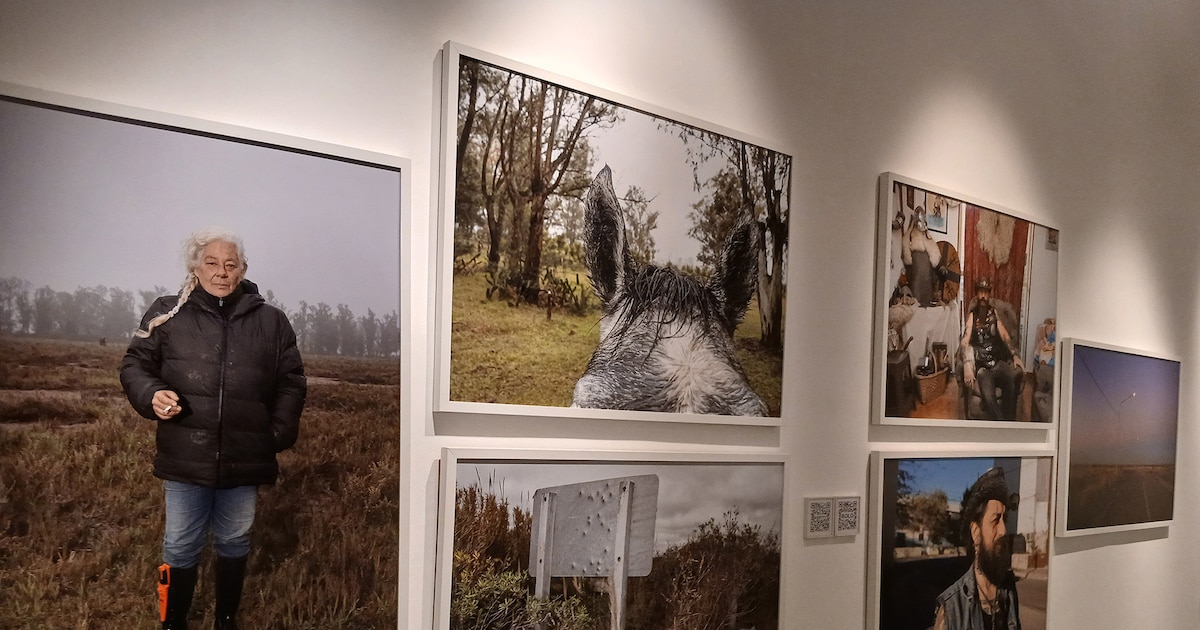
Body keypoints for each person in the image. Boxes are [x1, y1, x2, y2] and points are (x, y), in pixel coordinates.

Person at [120, 228, 306, 630]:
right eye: (211, 262)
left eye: (230, 264)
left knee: (235, 540)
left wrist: (276, 432)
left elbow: (291, 379)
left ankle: (225, 620)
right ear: (195, 267)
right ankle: (174, 624)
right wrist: (151, 394)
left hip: (246, 457)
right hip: (186, 455)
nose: (221, 271)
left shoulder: (271, 321)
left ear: (242, 270)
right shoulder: (167, 312)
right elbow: (135, 365)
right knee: (181, 545)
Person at [932, 467, 1022, 630]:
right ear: (976, 533)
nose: (1003, 530)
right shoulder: (951, 608)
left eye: (1004, 520)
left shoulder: (1008, 590)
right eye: (995, 520)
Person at [960, 278, 1023, 420]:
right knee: (989, 398)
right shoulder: (972, 315)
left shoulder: (994, 313)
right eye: (980, 292)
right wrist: (966, 364)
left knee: (1010, 382)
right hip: (983, 370)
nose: (983, 296)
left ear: (989, 295)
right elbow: (965, 339)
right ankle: (1003, 427)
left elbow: (1005, 335)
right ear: (977, 294)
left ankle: (1009, 421)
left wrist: (1014, 355)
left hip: (998, 363)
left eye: (986, 292)